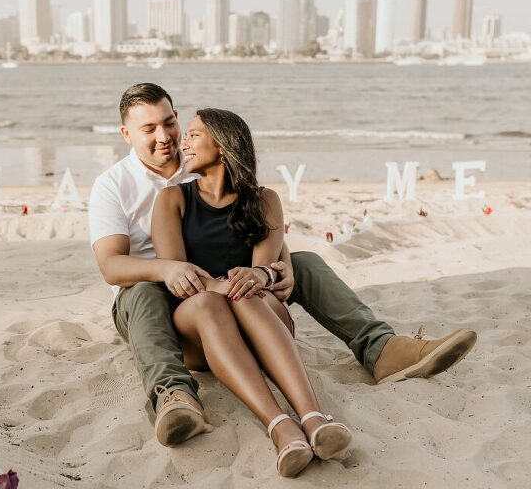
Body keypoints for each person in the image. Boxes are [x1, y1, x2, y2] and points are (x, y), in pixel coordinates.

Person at [88, 83, 477, 452]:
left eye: (171, 123)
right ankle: (173, 394)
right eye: (150, 128)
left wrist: (275, 268)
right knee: (144, 291)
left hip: (237, 291)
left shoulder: (207, 169)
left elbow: (255, 228)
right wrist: (166, 270)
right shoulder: (116, 186)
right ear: (127, 134)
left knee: (304, 262)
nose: (167, 137)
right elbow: (111, 266)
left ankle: (381, 348)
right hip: (160, 298)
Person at [150, 107, 353, 476]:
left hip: (262, 322)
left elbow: (268, 269)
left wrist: (259, 275)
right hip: (200, 327)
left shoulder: (265, 200)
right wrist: (221, 285)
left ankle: (313, 419)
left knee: (245, 293)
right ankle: (280, 426)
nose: (184, 142)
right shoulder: (172, 200)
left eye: (194, 135)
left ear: (223, 146)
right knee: (214, 301)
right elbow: (178, 275)